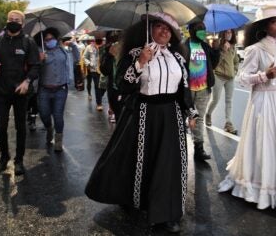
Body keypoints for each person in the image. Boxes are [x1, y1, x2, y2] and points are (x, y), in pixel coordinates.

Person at [85, 12, 198, 233]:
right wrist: (141, 62)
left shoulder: (177, 57)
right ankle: (131, 198)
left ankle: (163, 214)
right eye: (159, 26)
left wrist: (191, 112)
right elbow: (122, 85)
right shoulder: (136, 53)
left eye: (169, 28)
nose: (164, 31)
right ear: (148, 30)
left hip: (171, 115)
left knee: (168, 165)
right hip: (143, 114)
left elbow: (183, 89)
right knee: (137, 162)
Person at [218, 6, 276, 213]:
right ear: (263, 25)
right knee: (266, 143)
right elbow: (242, 78)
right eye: (273, 21)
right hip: (265, 103)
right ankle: (260, 187)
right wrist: (264, 75)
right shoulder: (257, 49)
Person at [0, 10, 40, 175]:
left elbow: (35, 66)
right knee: (1, 126)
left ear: (22, 23)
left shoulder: (28, 42)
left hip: (20, 92)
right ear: (6, 21)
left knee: (20, 127)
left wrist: (27, 81)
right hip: (2, 91)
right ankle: (4, 156)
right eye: (10, 19)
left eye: (17, 20)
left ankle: (19, 160)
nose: (13, 21)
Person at [37, 27, 79, 152]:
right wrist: (39, 60)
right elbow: (33, 68)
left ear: (56, 39)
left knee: (58, 115)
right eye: (47, 39)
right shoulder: (40, 52)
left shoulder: (63, 51)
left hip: (61, 89)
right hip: (44, 89)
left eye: (52, 39)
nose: (49, 41)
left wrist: (73, 45)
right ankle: (49, 129)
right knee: (44, 114)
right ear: (43, 41)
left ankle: (58, 140)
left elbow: (76, 59)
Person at [183, 21, 220, 161]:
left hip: (203, 89)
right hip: (187, 91)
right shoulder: (184, 46)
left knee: (198, 119)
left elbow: (213, 64)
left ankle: (199, 149)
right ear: (191, 31)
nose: (203, 31)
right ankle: (178, 147)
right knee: (182, 118)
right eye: (199, 29)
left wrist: (216, 49)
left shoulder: (205, 46)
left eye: (204, 29)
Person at [205, 29, 239, 134]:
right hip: (219, 76)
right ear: (223, 33)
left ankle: (228, 123)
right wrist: (223, 50)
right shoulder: (217, 46)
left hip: (230, 78)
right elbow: (215, 63)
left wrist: (235, 71)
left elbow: (236, 61)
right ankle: (208, 114)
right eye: (226, 32)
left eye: (230, 32)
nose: (229, 34)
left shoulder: (233, 47)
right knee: (216, 99)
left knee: (229, 101)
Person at [99, 30, 123, 122]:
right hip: (114, 89)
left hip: (127, 91)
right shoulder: (107, 50)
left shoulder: (130, 50)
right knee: (118, 116)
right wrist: (109, 55)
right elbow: (104, 70)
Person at [84, 35, 106, 110]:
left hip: (104, 70)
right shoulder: (89, 47)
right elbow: (85, 57)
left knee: (104, 86)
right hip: (94, 70)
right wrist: (90, 64)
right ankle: (99, 103)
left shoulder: (105, 46)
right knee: (97, 86)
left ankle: (100, 95)